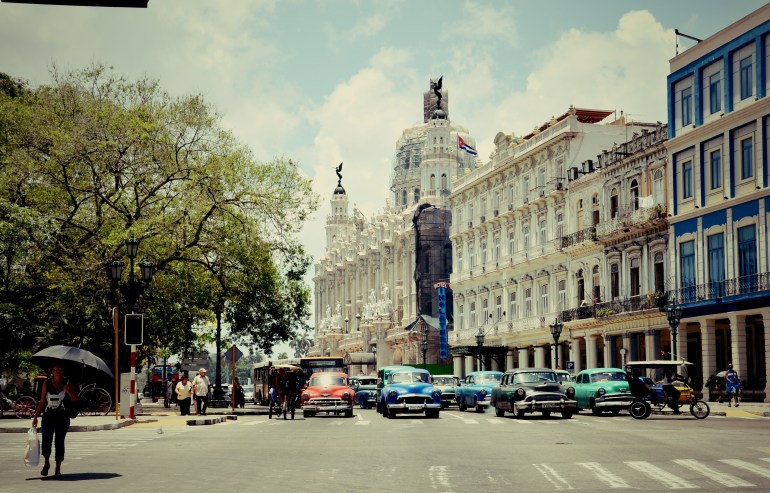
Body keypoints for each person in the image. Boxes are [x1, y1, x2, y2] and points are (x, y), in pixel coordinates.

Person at [31, 364, 79, 477]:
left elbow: (75, 399)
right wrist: (35, 416)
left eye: (60, 369)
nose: (58, 371)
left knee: (59, 441)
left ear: (63, 371)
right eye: (56, 369)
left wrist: (69, 391)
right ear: (52, 370)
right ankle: (46, 463)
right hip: (48, 416)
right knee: (46, 440)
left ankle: (58, 468)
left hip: (62, 417)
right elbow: (42, 401)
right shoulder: (46, 383)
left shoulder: (68, 383)